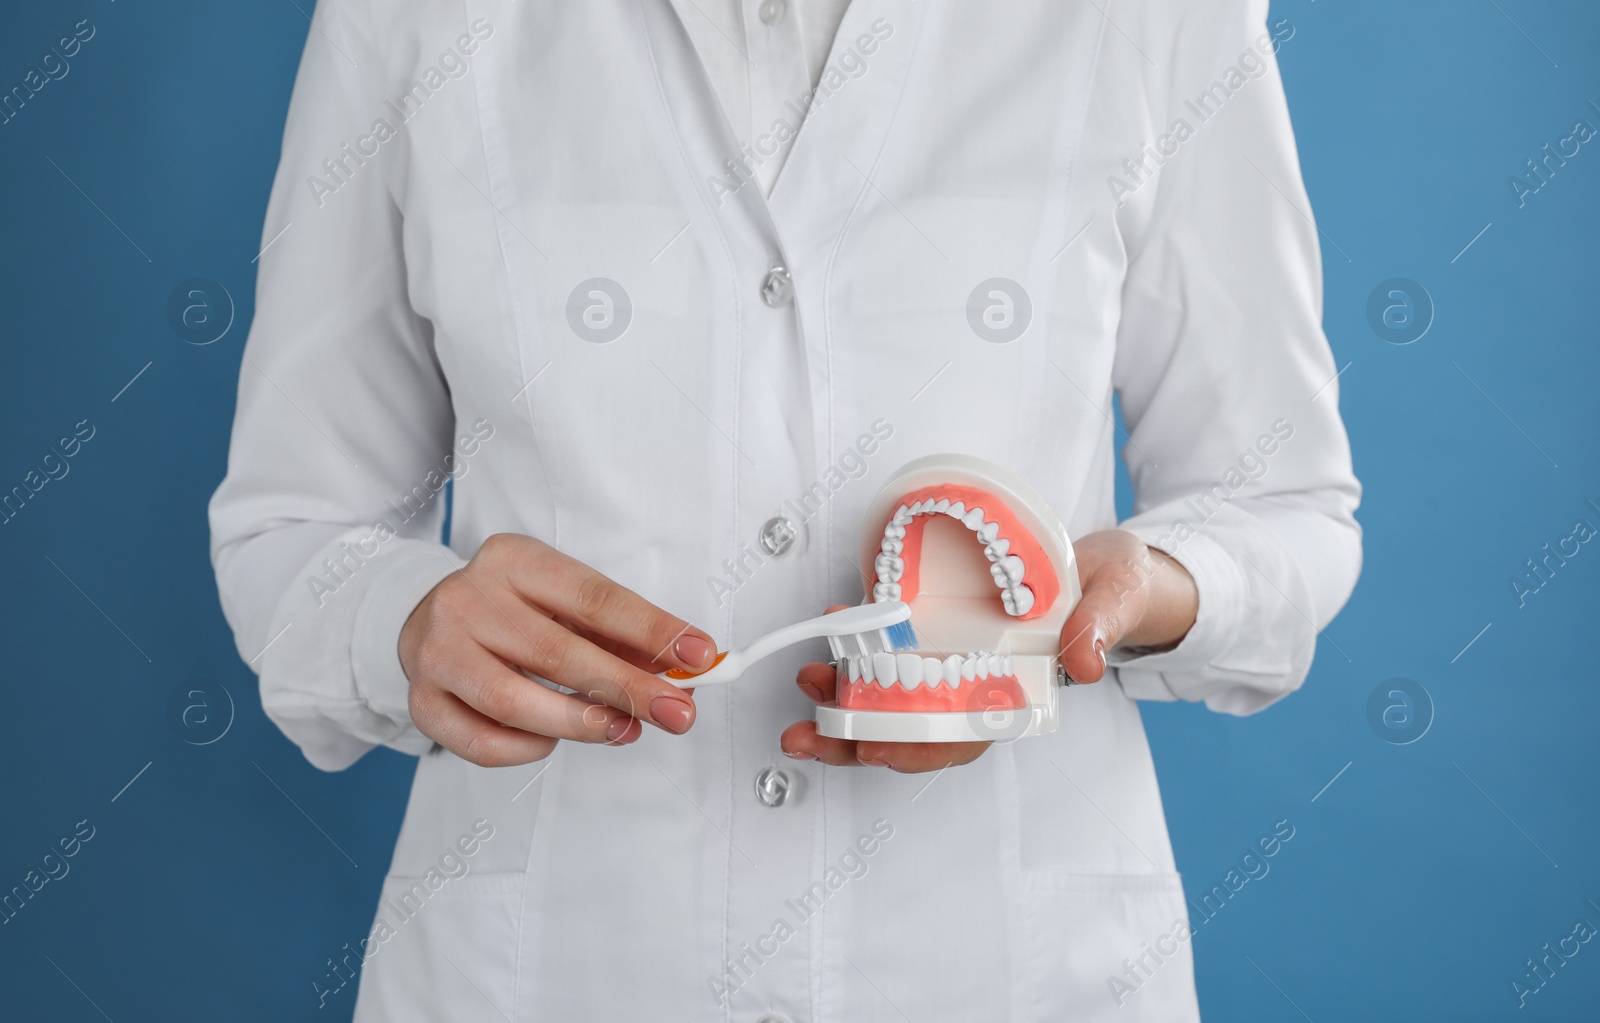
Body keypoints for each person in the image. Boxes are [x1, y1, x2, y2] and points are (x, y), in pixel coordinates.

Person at [210, 1, 1360, 1019]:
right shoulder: (408, 17)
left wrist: (1135, 592)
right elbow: (291, 527)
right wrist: (406, 624)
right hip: (556, 973)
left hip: (1010, 975)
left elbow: (1282, 504)